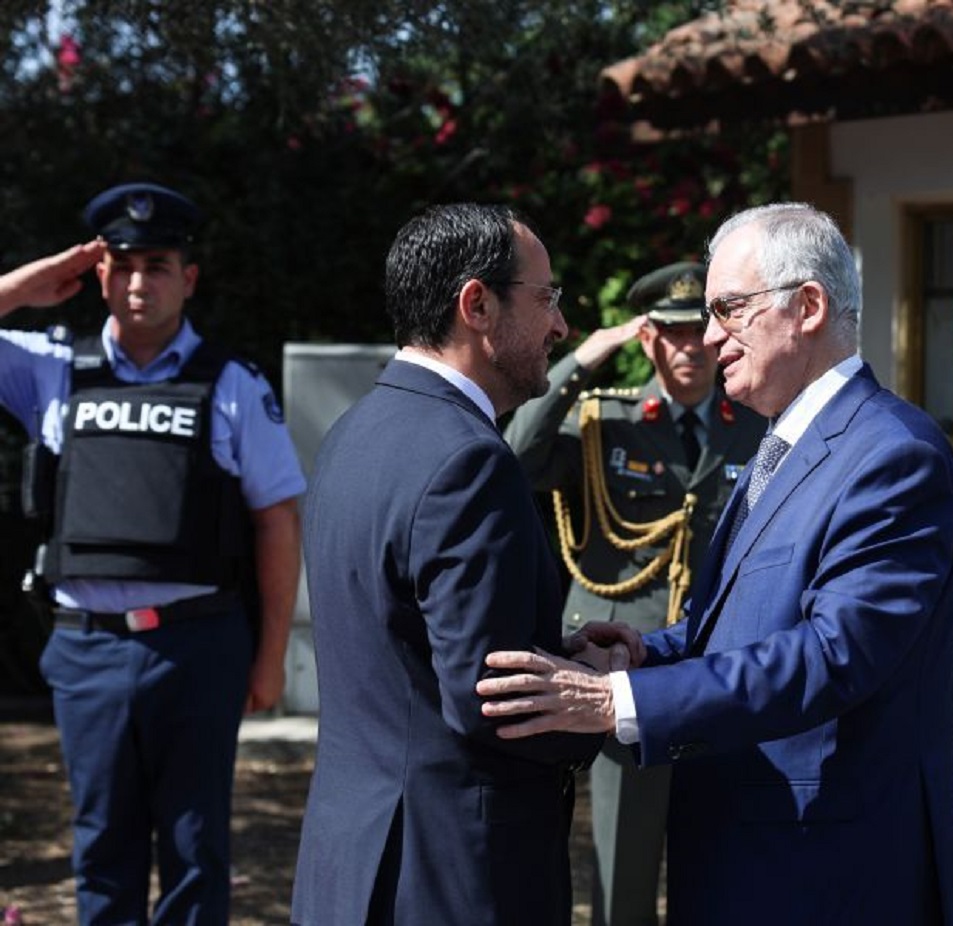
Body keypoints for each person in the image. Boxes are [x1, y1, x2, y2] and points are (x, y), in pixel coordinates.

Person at [478, 203, 953, 924]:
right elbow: (735, 623)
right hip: (750, 852)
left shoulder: (893, 455)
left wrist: (620, 703)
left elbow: (834, 654)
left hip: (828, 868)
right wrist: (647, 652)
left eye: (729, 310)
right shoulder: (786, 441)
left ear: (808, 307)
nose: (711, 337)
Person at [290, 203, 617, 925]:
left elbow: (407, 648)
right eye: (546, 298)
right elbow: (489, 700)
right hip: (449, 876)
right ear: (478, 305)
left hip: (355, 861)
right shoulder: (469, 459)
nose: (561, 326)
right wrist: (602, 696)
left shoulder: (355, 429)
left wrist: (555, 655)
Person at [0, 182, 305, 924]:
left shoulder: (231, 384)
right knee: (102, 848)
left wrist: (270, 660)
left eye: (158, 265)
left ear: (188, 278)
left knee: (195, 852)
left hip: (198, 650)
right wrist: (22, 287)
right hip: (87, 650)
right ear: (98, 274)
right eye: (124, 265)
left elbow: (278, 523)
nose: (140, 283)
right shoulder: (54, 369)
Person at [505, 261, 763, 926]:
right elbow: (516, 458)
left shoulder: (753, 424)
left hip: (720, 665)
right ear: (648, 340)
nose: (690, 348)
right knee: (625, 863)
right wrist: (582, 361)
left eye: (699, 331)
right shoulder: (604, 419)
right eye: (672, 334)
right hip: (627, 665)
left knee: (729, 856)